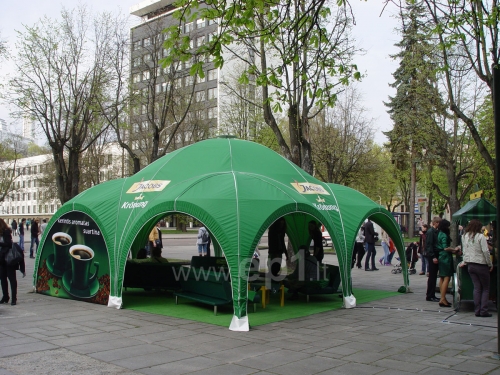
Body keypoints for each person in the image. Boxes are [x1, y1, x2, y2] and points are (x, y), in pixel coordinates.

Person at [461, 219, 493, 317]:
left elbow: (465, 251)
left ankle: (477, 309)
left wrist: (465, 261)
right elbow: (485, 251)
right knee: (486, 288)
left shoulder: (464, 236)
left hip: (471, 264)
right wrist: (489, 263)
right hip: (481, 264)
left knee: (477, 287)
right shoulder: (480, 237)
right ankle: (484, 310)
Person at [0, 218, 26, 305]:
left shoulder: (6, 232)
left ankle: (14, 298)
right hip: (1, 259)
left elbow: (9, 244)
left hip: (8, 258)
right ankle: (5, 296)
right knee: (3, 278)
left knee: (12, 279)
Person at [437, 219, 459, 307]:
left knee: (442, 277)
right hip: (446, 257)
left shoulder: (439, 233)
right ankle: (442, 298)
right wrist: (454, 250)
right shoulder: (444, 235)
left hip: (441, 256)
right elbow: (445, 247)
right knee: (447, 277)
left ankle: (442, 298)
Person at [424, 216, 441, 302]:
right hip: (432, 256)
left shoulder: (436, 232)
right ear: (434, 223)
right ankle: (430, 295)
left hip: (435, 254)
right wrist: (433, 256)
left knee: (433, 276)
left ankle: (432, 294)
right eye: (437, 222)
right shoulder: (431, 232)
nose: (438, 224)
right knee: (432, 276)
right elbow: (429, 245)